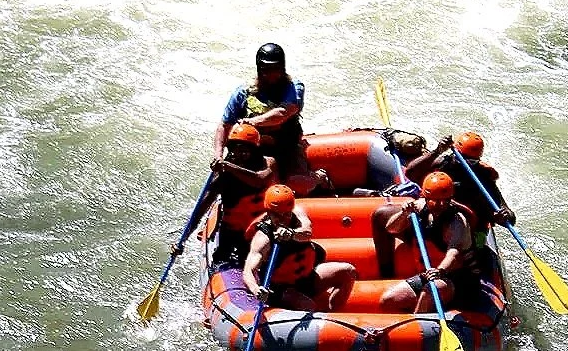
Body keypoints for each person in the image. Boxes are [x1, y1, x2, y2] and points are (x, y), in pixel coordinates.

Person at [241, 184, 356, 312]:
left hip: (307, 278)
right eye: (277, 216)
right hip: (281, 288)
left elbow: (307, 232)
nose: (283, 219)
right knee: (308, 305)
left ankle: (334, 316)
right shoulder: (263, 239)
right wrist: (256, 289)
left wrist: (292, 234)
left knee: (348, 271)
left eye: (286, 214)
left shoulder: (298, 214)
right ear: (269, 212)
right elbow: (248, 271)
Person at [375, 172, 476, 314]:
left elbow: (453, 253)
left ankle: (418, 325)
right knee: (388, 300)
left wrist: (440, 270)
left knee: (430, 290)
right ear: (426, 198)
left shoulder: (457, 222)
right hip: (429, 275)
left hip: (456, 279)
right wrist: (404, 214)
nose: (440, 205)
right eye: (435, 201)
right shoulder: (419, 206)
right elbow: (391, 229)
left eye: (445, 201)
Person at [217, 43, 309, 181]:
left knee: (298, 184)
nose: (272, 74)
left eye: (276, 69)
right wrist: (218, 155)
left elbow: (284, 112)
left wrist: (253, 121)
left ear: (282, 68)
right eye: (266, 69)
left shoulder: (294, 87)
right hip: (253, 150)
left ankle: (319, 177)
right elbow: (224, 125)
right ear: (259, 69)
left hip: (286, 146)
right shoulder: (243, 93)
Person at [204, 122, 275, 270]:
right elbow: (202, 207)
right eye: (236, 151)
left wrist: (228, 166)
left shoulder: (268, 163)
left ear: (255, 151)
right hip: (232, 232)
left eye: (244, 152)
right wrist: (183, 241)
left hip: (261, 229)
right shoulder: (223, 176)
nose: (239, 156)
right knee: (224, 258)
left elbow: (259, 180)